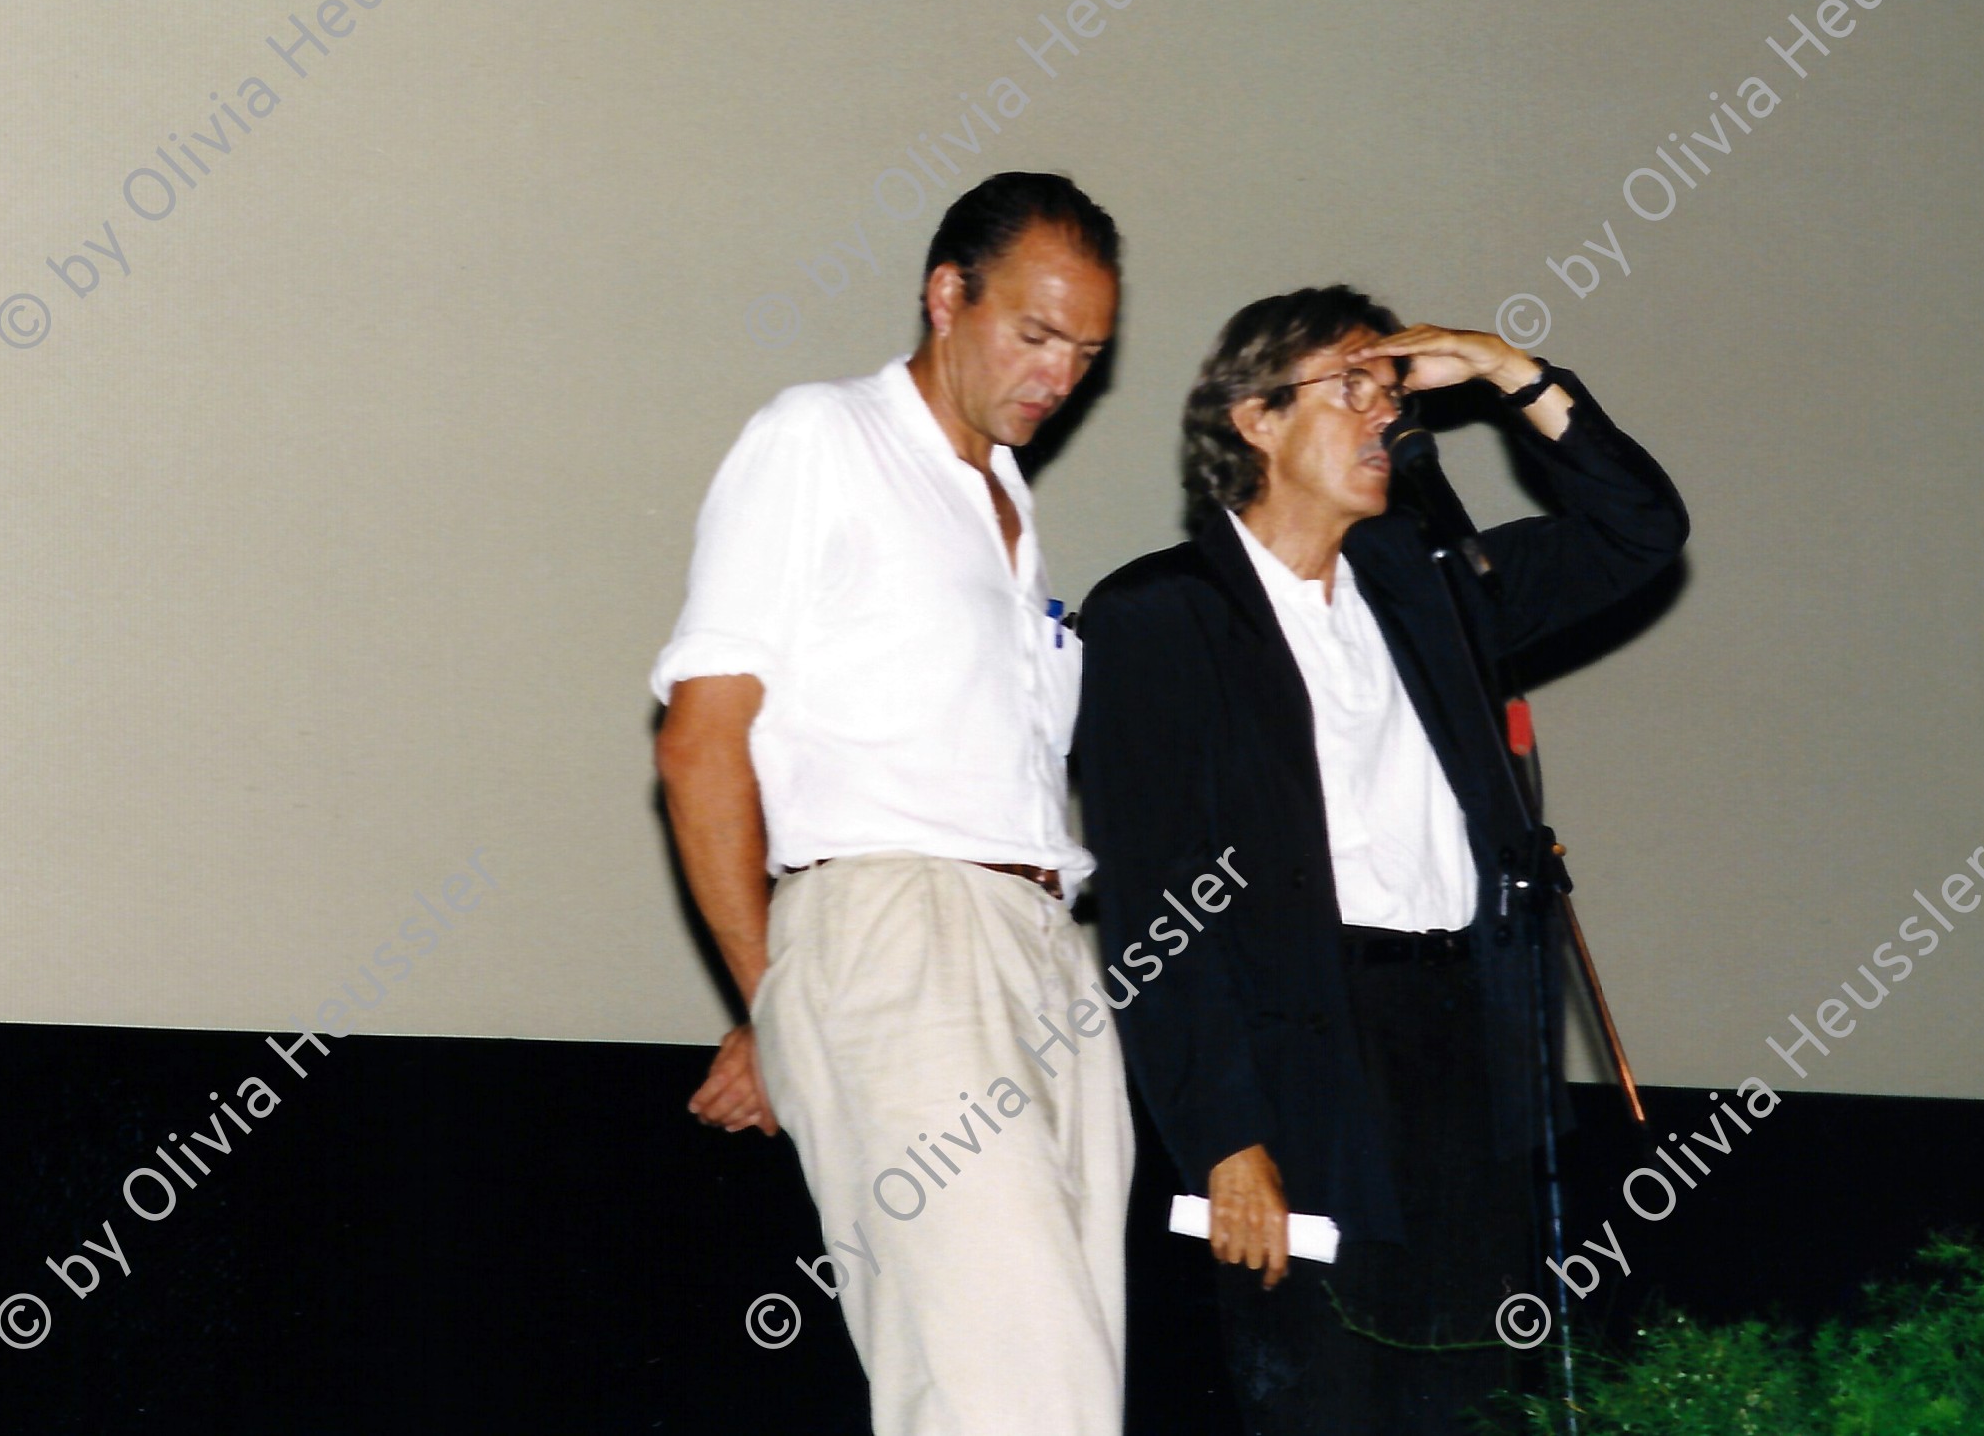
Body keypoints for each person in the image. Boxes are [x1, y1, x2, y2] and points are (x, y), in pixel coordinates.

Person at [1073, 285, 1689, 1432]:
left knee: (1468, 1397)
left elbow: (1637, 531)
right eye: (1348, 384)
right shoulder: (1161, 615)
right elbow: (1158, 907)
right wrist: (1223, 1140)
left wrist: (1513, 373)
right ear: (1253, 417)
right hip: (1304, 1062)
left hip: (1469, 1047)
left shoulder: (1431, 588)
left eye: (1393, 385)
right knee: (1326, 1390)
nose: (1384, 413)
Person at [651, 173, 1135, 1436]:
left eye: (1084, 352)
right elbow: (702, 743)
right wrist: (781, 991)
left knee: (1070, 1390)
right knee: (1009, 1392)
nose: (1058, 375)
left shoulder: (1008, 503)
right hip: (899, 927)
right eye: (1033, 335)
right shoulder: (821, 437)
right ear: (944, 295)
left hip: (1042, 945)